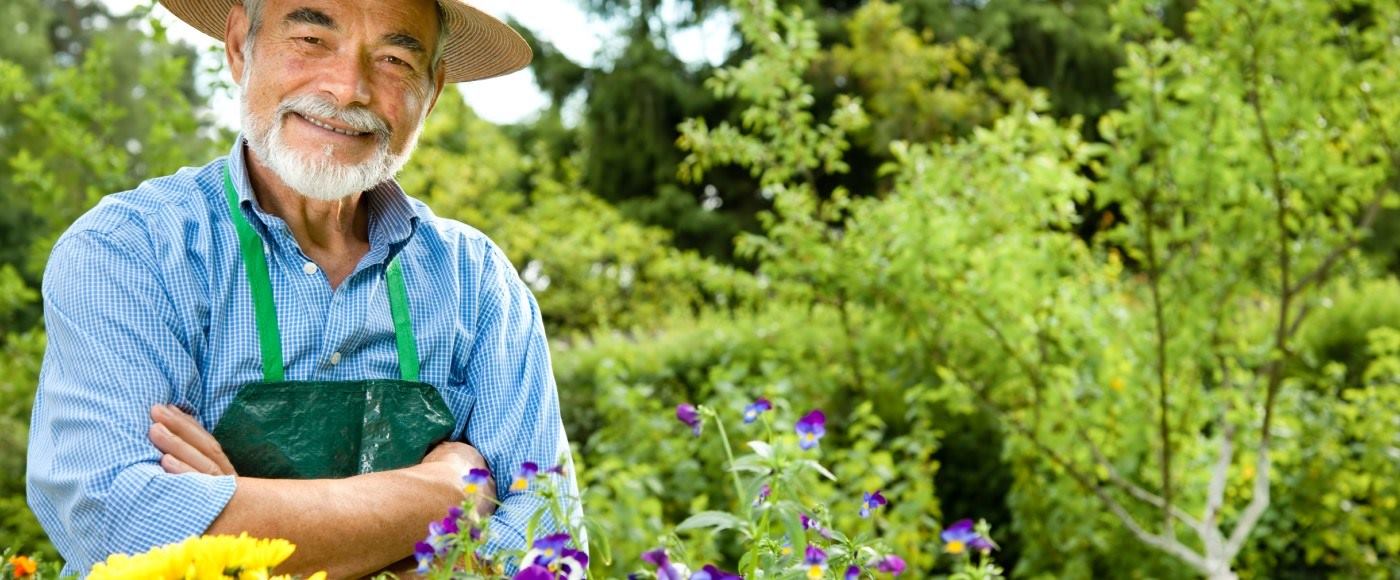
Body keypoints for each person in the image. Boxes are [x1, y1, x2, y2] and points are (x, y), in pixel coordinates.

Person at [25, 0, 579, 576]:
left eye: (393, 58)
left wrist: (236, 516)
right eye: (312, 40)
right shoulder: (133, 249)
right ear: (241, 46)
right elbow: (120, 522)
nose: (348, 90)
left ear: (432, 90)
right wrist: (443, 495)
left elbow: (550, 549)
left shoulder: (478, 283)